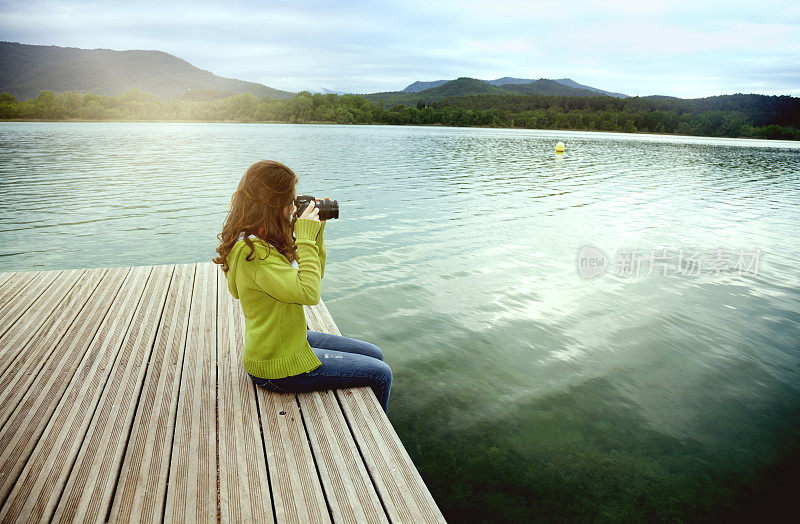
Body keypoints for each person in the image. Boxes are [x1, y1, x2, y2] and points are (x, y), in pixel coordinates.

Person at [212, 160, 392, 414]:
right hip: (278, 367)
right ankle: (378, 440)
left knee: (374, 353)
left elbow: (312, 279)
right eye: (291, 202)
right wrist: (304, 237)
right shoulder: (253, 253)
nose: (293, 209)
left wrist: (315, 235)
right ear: (273, 205)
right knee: (381, 374)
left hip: (287, 341)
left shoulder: (255, 241)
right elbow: (309, 294)